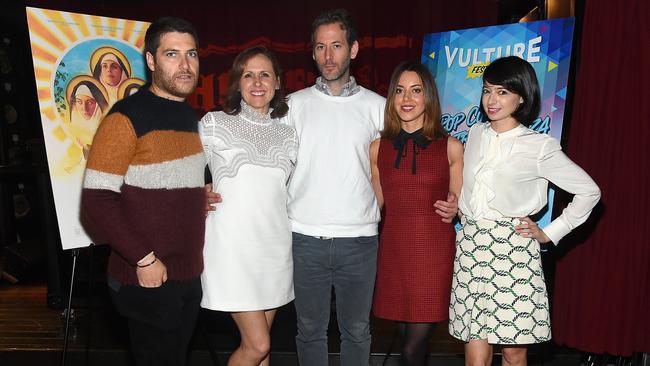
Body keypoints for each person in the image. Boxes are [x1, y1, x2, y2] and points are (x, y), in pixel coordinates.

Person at [449, 56, 601, 366]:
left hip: (513, 250)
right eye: (488, 90)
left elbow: (589, 191)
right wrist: (460, 209)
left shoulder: (539, 146)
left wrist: (549, 232)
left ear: (522, 96)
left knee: (513, 351)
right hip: (471, 247)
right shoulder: (476, 134)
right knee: (475, 349)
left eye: (503, 92)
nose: (492, 100)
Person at [81, 17, 205, 366]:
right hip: (146, 277)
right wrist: (143, 258)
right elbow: (97, 198)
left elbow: (170, 182)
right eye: (172, 54)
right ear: (151, 61)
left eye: (191, 54)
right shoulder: (125, 118)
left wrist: (198, 195)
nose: (185, 65)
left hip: (186, 275)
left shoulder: (187, 116)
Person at [199, 46, 297, 366]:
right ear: (237, 83)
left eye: (265, 74)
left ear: (278, 82)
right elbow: (178, 171)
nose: (257, 81)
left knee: (261, 352)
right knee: (257, 345)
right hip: (232, 250)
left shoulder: (288, 134)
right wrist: (193, 193)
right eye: (248, 74)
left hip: (274, 250)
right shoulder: (213, 123)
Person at [370, 61, 463, 366]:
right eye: (399, 91)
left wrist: (456, 207)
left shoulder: (450, 147)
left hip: (433, 252)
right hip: (395, 250)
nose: (406, 98)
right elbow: (374, 204)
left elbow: (461, 201)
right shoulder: (377, 148)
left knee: (412, 349)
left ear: (428, 98)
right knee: (411, 348)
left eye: (416, 90)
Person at [65, 75, 109, 160]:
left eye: (89, 102)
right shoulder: (76, 133)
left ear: (97, 103)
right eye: (79, 102)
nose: (84, 108)